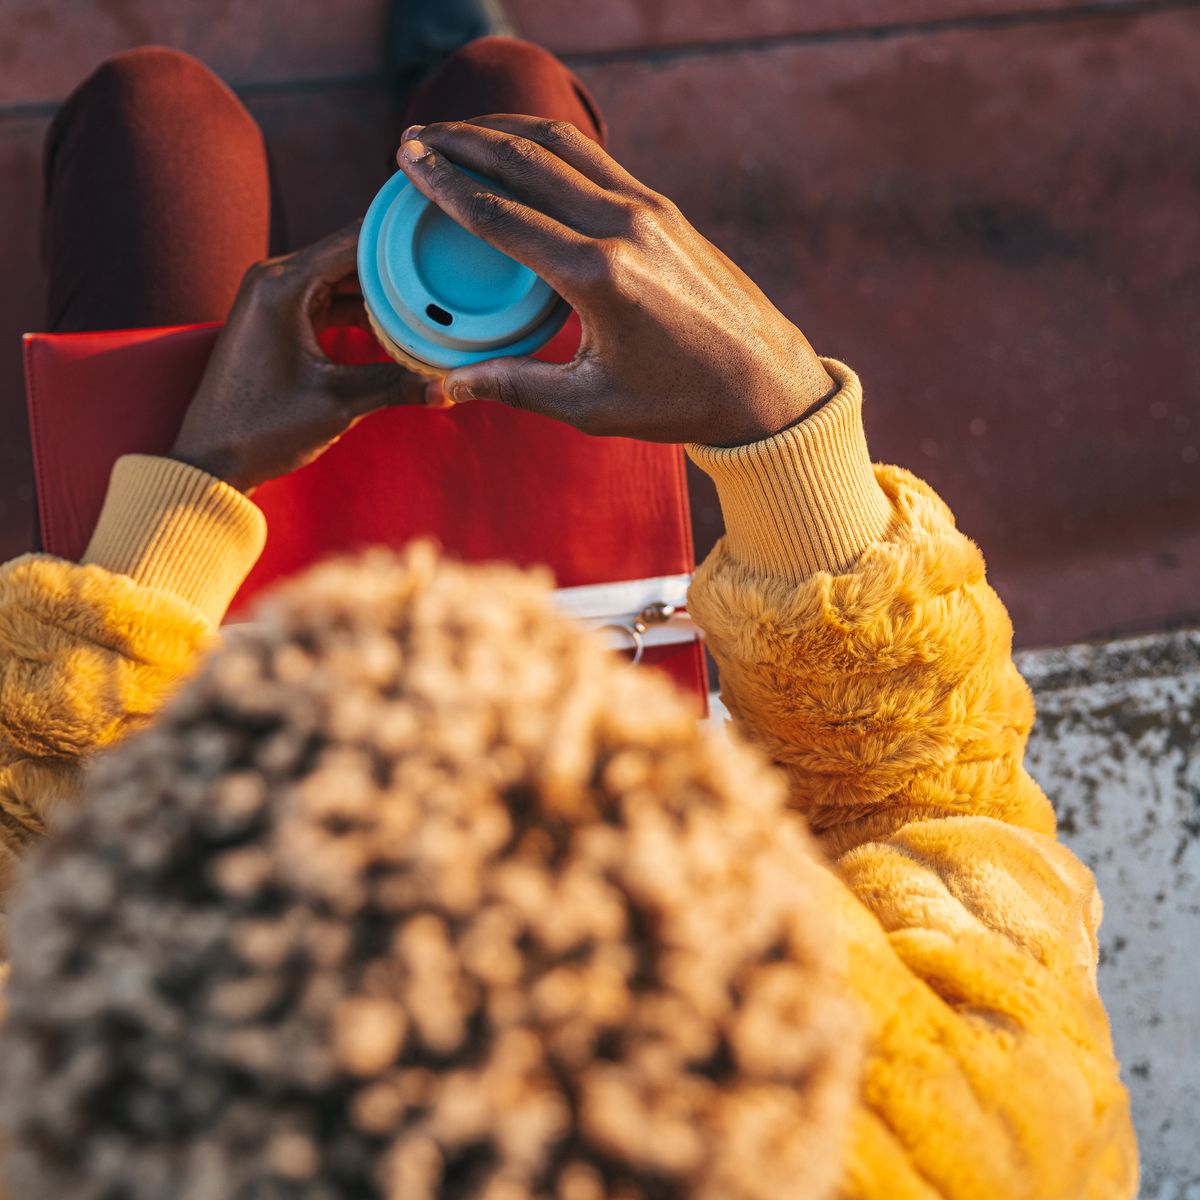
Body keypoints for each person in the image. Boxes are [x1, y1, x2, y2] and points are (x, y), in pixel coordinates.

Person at [0, 36, 1136, 1200]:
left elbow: (27, 922)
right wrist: (786, 438)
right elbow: (937, 821)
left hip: (221, 668)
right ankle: (460, 103)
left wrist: (191, 493)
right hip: (533, 625)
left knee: (158, 117)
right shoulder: (981, 1154)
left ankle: (449, 108)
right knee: (512, 114)